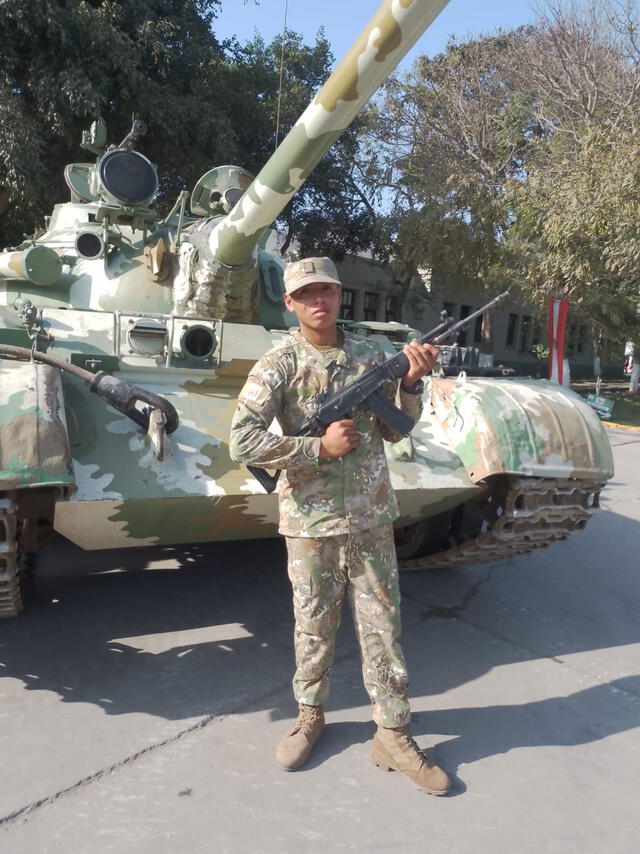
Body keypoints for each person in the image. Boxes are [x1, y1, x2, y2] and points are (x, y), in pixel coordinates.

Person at [229, 257, 450, 796]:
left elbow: (397, 433)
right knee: (313, 626)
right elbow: (242, 441)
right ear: (291, 303)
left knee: (384, 629)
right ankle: (310, 716)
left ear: (339, 293)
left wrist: (413, 385)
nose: (318, 301)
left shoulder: (372, 355)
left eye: (326, 289)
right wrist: (316, 448)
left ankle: (393, 733)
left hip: (372, 519)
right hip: (311, 523)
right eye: (306, 293)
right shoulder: (279, 363)